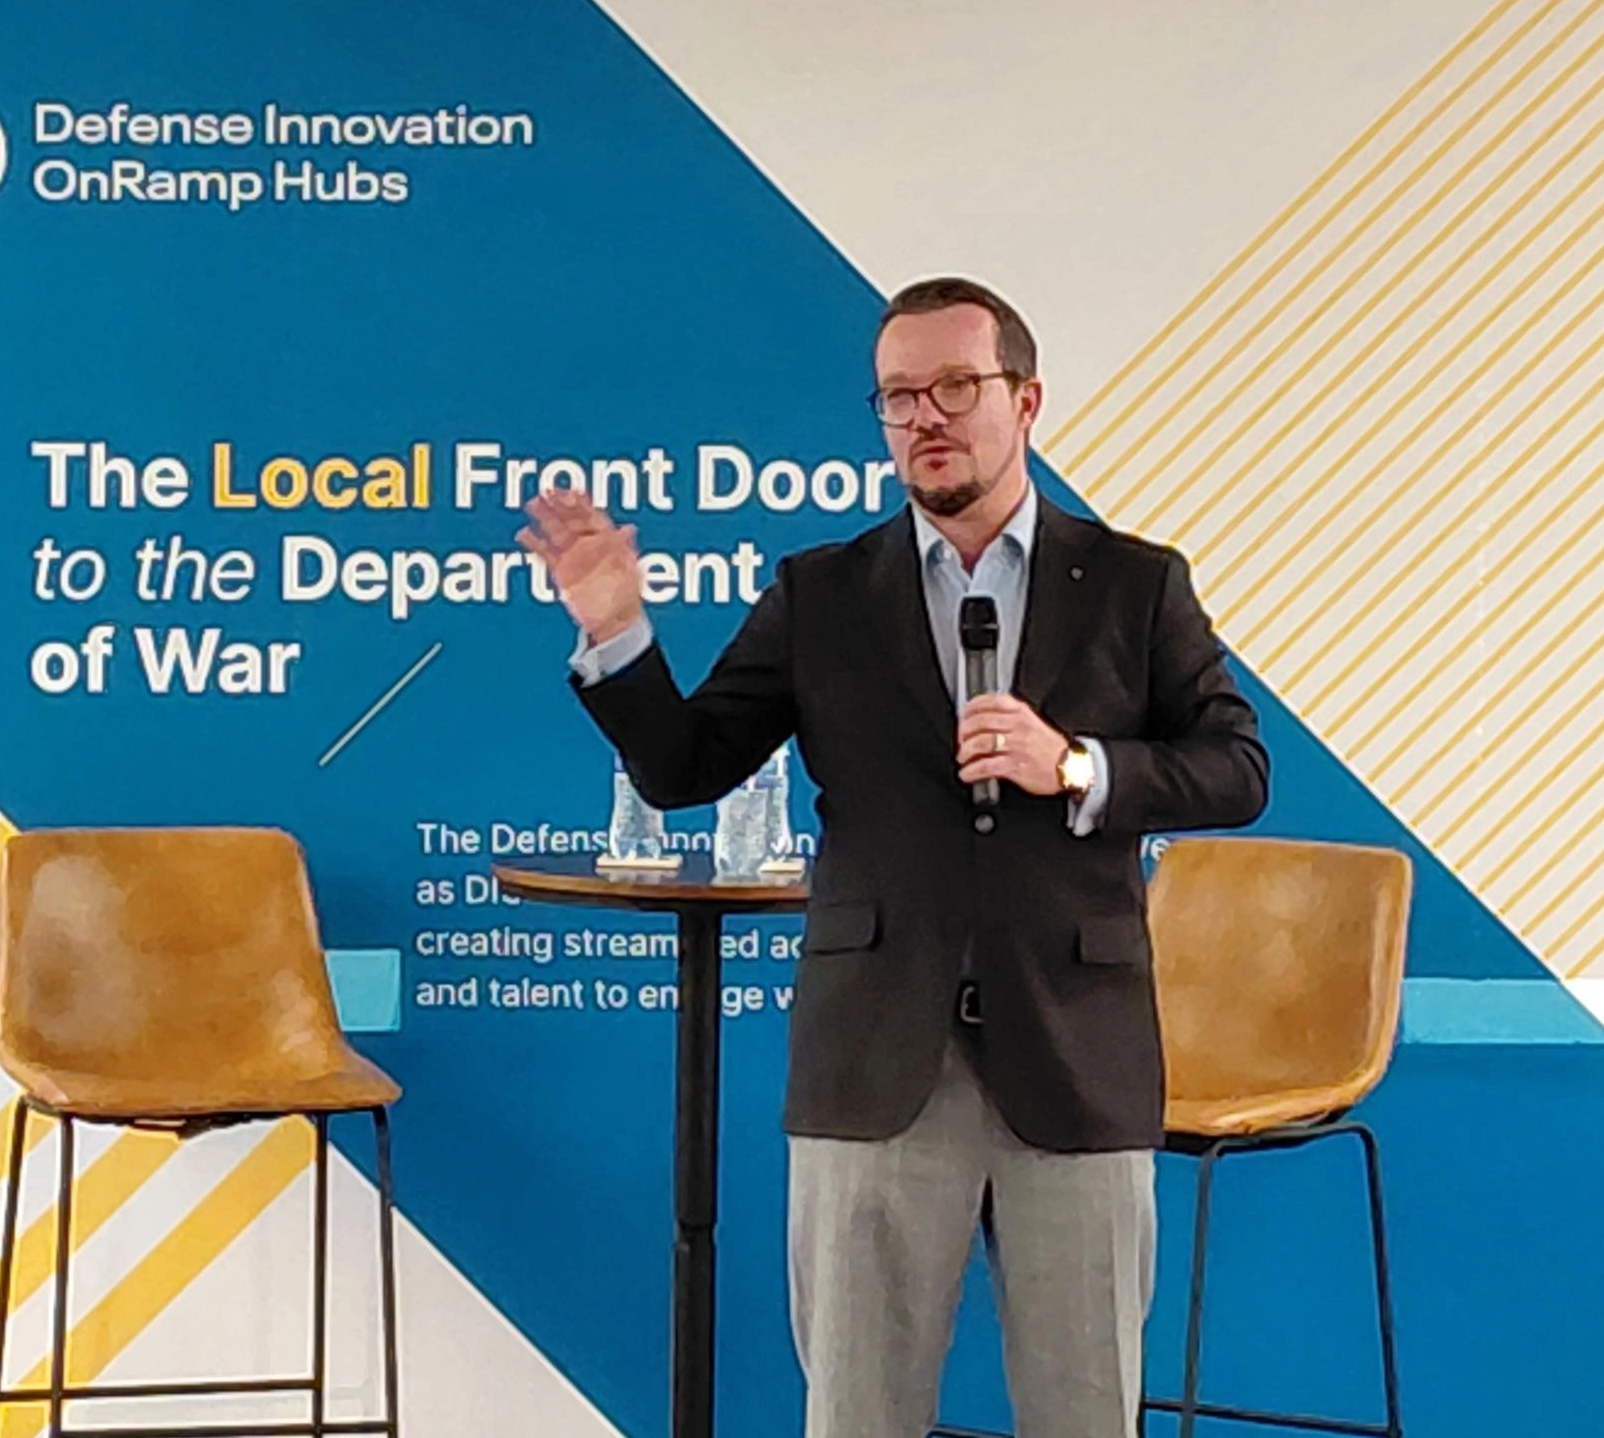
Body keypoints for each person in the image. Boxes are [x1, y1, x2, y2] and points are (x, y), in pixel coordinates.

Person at [518, 277, 1269, 1438]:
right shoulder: (822, 592)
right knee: (857, 1415)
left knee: (1085, 1416)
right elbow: (683, 768)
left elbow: (1234, 768)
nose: (925, 417)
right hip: (874, 1056)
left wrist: (1074, 765)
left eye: (954, 388)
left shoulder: (1132, 581)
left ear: (1025, 402)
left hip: (1073, 1051)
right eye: (897, 397)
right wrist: (615, 630)